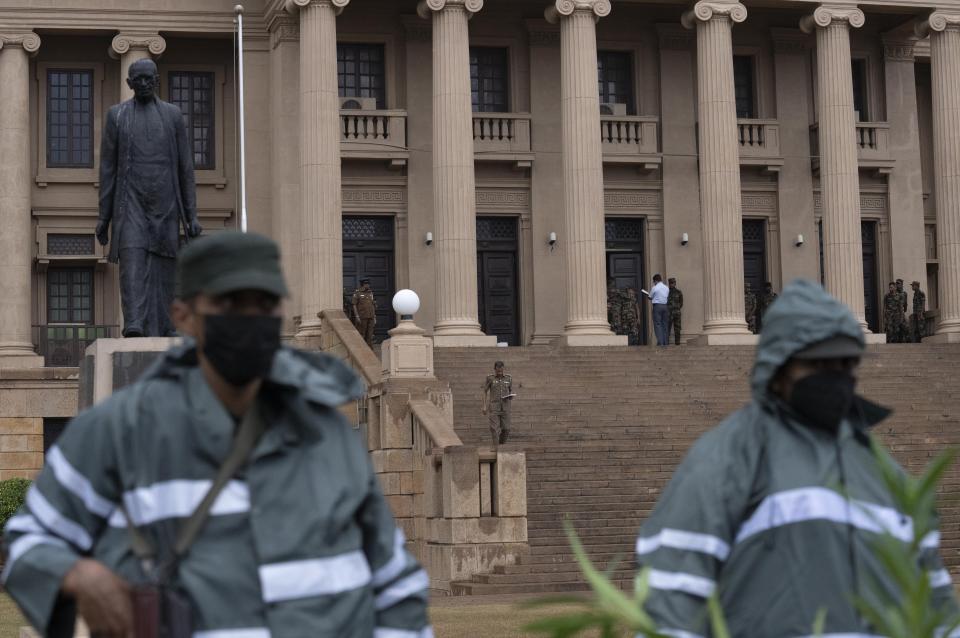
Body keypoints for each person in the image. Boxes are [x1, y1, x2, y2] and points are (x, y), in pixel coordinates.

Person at [3, 232, 432, 638]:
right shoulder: (118, 431)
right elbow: (26, 544)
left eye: (263, 303)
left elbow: (393, 580)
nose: (249, 318)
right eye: (230, 303)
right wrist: (78, 574)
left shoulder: (327, 434)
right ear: (184, 316)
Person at [635, 279, 958, 637]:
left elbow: (934, 604)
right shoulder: (727, 460)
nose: (836, 376)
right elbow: (670, 605)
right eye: (820, 364)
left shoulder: (883, 473)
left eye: (845, 363)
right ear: (779, 368)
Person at [97, 58, 203, 338]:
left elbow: (185, 168)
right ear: (129, 84)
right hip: (129, 201)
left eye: (148, 79)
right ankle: (134, 321)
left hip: (165, 200)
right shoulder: (116, 116)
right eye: (138, 80)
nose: (143, 84)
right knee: (132, 260)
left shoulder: (172, 115)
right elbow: (108, 169)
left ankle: (169, 324)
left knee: (166, 265)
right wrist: (103, 216)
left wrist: (191, 215)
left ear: (156, 80)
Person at [482, 361, 514, 445]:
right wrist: (484, 406)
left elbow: (510, 390)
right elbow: (485, 391)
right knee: (494, 429)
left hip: (505, 407)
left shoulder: (509, 378)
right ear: (495, 369)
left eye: (501, 370)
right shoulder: (490, 378)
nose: (499, 372)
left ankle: (501, 444)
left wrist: (510, 396)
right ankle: (497, 447)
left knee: (506, 429)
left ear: (503, 369)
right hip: (494, 407)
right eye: (498, 370)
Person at [351, 278, 377, 348]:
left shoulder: (370, 292)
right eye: (366, 284)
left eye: (368, 284)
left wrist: (374, 316)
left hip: (371, 316)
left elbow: (373, 304)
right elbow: (354, 305)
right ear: (363, 284)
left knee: (370, 334)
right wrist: (357, 316)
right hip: (362, 317)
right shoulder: (357, 293)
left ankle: (369, 348)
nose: (368, 285)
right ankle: (361, 348)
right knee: (362, 333)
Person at [648, 274, 670, 346]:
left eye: (654, 281)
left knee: (658, 324)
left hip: (657, 306)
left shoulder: (655, 287)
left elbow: (650, 297)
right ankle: (665, 342)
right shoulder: (666, 287)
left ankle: (660, 342)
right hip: (665, 306)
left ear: (655, 280)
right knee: (665, 325)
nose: (654, 283)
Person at [667, 278, 683, 346]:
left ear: (675, 283)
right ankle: (666, 343)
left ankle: (677, 344)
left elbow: (681, 303)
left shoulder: (679, 292)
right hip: (669, 313)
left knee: (677, 329)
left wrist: (677, 308)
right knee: (667, 329)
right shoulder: (667, 292)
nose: (672, 284)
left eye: (673, 283)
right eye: (671, 283)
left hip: (676, 313)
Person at [896, 279, 910, 343]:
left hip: (902, 312)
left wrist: (905, 310)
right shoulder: (895, 293)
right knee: (897, 328)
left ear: (902, 284)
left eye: (898, 283)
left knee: (906, 326)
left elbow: (905, 303)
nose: (897, 285)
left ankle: (906, 339)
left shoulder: (904, 293)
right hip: (896, 313)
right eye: (896, 283)